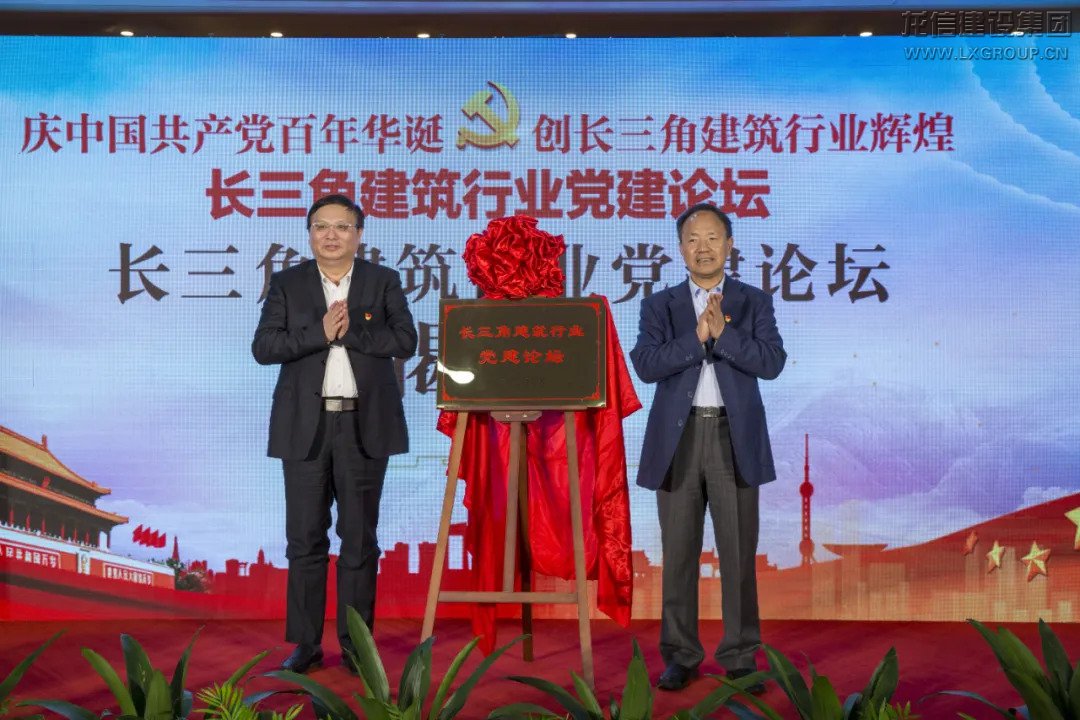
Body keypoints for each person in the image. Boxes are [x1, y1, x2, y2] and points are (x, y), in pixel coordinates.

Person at [252, 194, 417, 673]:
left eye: (342, 227)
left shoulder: (383, 281)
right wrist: (320, 333)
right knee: (305, 540)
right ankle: (305, 645)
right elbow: (264, 347)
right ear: (309, 234)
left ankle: (356, 646)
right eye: (321, 226)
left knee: (359, 541)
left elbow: (406, 340)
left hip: (364, 426)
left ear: (358, 234)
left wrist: (351, 334)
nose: (331, 235)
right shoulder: (287, 283)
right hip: (305, 426)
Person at [629, 202, 786, 692]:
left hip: (732, 438)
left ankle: (740, 656)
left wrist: (724, 334)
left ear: (729, 245)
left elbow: (772, 362)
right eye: (693, 239)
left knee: (738, 554)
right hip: (678, 440)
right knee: (678, 554)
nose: (703, 247)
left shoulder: (754, 302)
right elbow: (646, 365)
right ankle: (680, 655)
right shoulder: (660, 306)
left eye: (713, 238)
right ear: (681, 248)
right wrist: (697, 338)